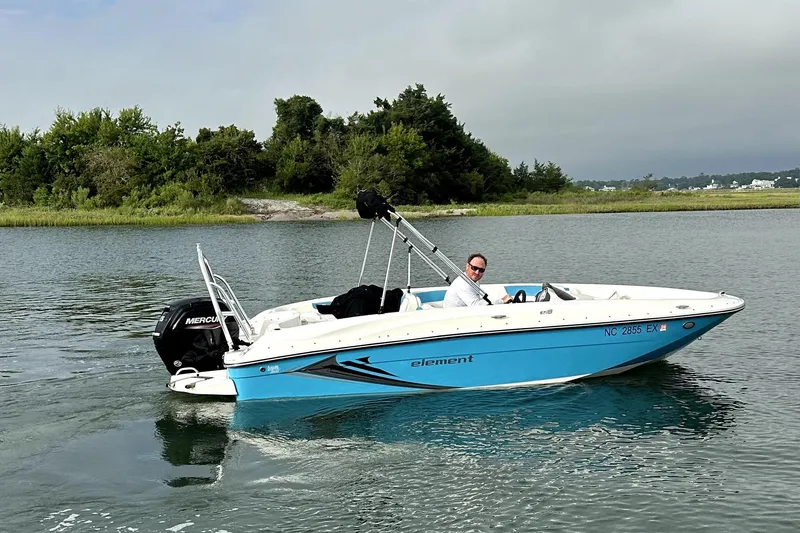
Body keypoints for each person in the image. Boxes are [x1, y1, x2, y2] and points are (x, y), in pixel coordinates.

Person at [443, 253, 512, 308]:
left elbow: (478, 302)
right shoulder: (463, 284)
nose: (477, 272)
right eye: (474, 268)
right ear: (467, 266)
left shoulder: (472, 281)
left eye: (481, 270)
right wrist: (501, 301)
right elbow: (476, 307)